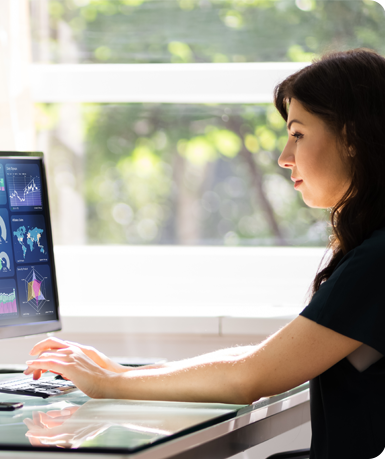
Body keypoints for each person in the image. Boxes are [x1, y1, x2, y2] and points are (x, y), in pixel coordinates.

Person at [24, 48, 385, 458]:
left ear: (352, 138)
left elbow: (250, 377)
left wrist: (110, 385)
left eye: (298, 134)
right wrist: (121, 372)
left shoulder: (376, 260)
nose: (285, 158)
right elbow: (260, 358)